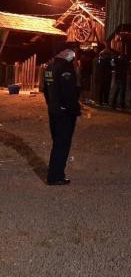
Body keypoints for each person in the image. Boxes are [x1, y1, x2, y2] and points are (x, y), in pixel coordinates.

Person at [43, 43, 81, 185]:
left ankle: (54, 173)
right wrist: (75, 110)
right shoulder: (66, 68)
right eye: (72, 51)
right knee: (62, 145)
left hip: (53, 111)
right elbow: (69, 93)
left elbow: (45, 90)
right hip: (65, 113)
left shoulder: (49, 67)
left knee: (57, 143)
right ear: (64, 52)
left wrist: (52, 105)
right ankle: (56, 176)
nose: (73, 54)